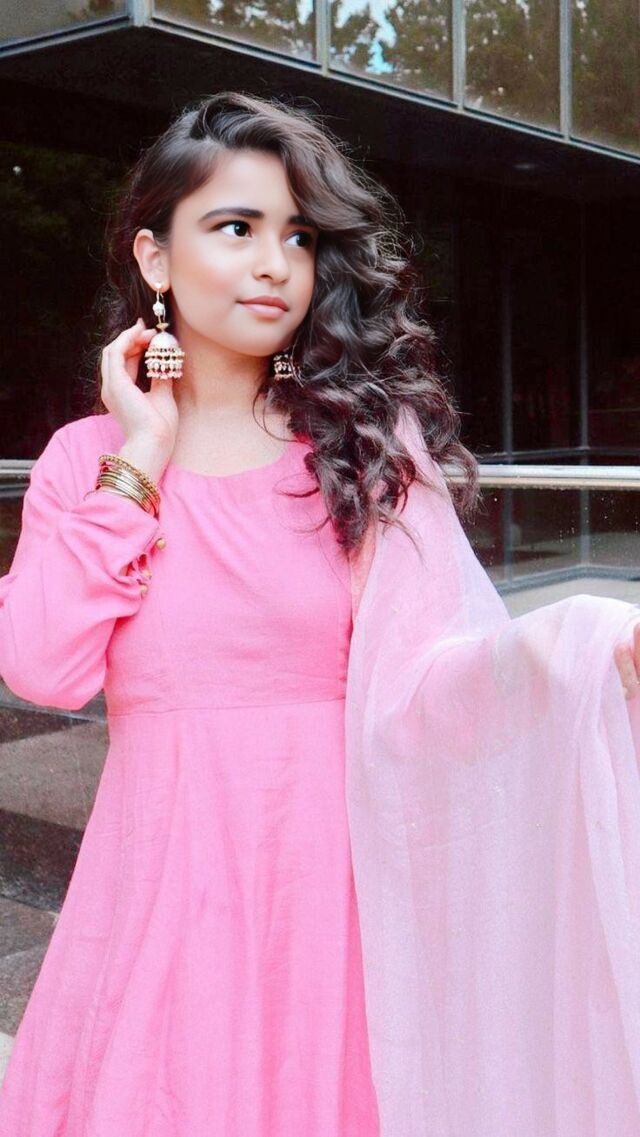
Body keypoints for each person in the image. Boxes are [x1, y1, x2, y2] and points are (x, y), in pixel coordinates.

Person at [1, 90, 640, 1137]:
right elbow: (40, 666)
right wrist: (143, 453)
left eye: (297, 237)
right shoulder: (90, 458)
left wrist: (588, 642)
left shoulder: (359, 447)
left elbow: (437, 677)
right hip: (159, 897)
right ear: (156, 257)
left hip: (334, 901)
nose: (274, 265)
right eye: (235, 228)